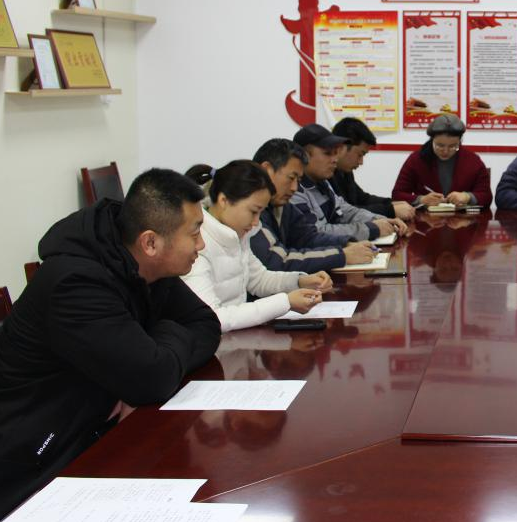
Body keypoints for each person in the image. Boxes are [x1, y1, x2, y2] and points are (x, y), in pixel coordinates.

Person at [0, 169, 221, 515]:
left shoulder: (145, 263)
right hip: (36, 461)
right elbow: (152, 379)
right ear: (151, 242)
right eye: (194, 233)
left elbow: (206, 324)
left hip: (94, 431)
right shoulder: (75, 284)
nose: (201, 245)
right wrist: (164, 341)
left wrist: (156, 347)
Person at [184, 160, 334, 332]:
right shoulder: (197, 244)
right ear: (224, 200)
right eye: (253, 212)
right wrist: (285, 302)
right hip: (212, 343)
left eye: (261, 213)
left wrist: (300, 281)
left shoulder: (235, 234)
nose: (256, 222)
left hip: (235, 338)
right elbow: (214, 318)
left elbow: (259, 279)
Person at [250, 138, 378, 274]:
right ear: (267, 170)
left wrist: (347, 244)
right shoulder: (250, 209)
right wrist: (342, 255)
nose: (294, 188)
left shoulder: (281, 204)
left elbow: (308, 237)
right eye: (291, 178)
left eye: (298, 180)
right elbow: (277, 262)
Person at [290, 124, 408, 242]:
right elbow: (316, 233)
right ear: (305, 156)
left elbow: (345, 211)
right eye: (328, 153)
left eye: (335, 153)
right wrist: (371, 229)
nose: (335, 159)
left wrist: (379, 220)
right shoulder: (293, 190)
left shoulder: (323, 182)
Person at [392, 114, 492, 208]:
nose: (445, 151)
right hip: (426, 219)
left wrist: (468, 197)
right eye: (440, 145)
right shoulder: (417, 159)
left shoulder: (473, 161)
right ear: (432, 140)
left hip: (462, 218)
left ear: (460, 142)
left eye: (453, 146)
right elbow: (397, 195)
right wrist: (421, 199)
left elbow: (487, 196)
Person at [330, 117, 416, 221]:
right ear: (342, 147)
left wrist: (392, 203)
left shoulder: (344, 171)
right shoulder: (325, 174)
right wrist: (390, 210)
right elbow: (345, 212)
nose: (361, 162)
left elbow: (363, 199)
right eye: (360, 154)